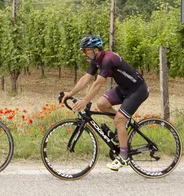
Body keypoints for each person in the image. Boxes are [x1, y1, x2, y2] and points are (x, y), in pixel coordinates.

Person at [59, 35, 149, 171]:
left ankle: (124, 157)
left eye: (86, 51)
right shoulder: (96, 61)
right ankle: (123, 125)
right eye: (83, 51)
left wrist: (84, 101)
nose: (85, 54)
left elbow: (98, 83)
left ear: (96, 50)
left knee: (119, 120)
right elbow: (86, 78)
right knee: (102, 104)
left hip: (138, 90)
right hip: (125, 89)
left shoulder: (108, 59)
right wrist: (70, 93)